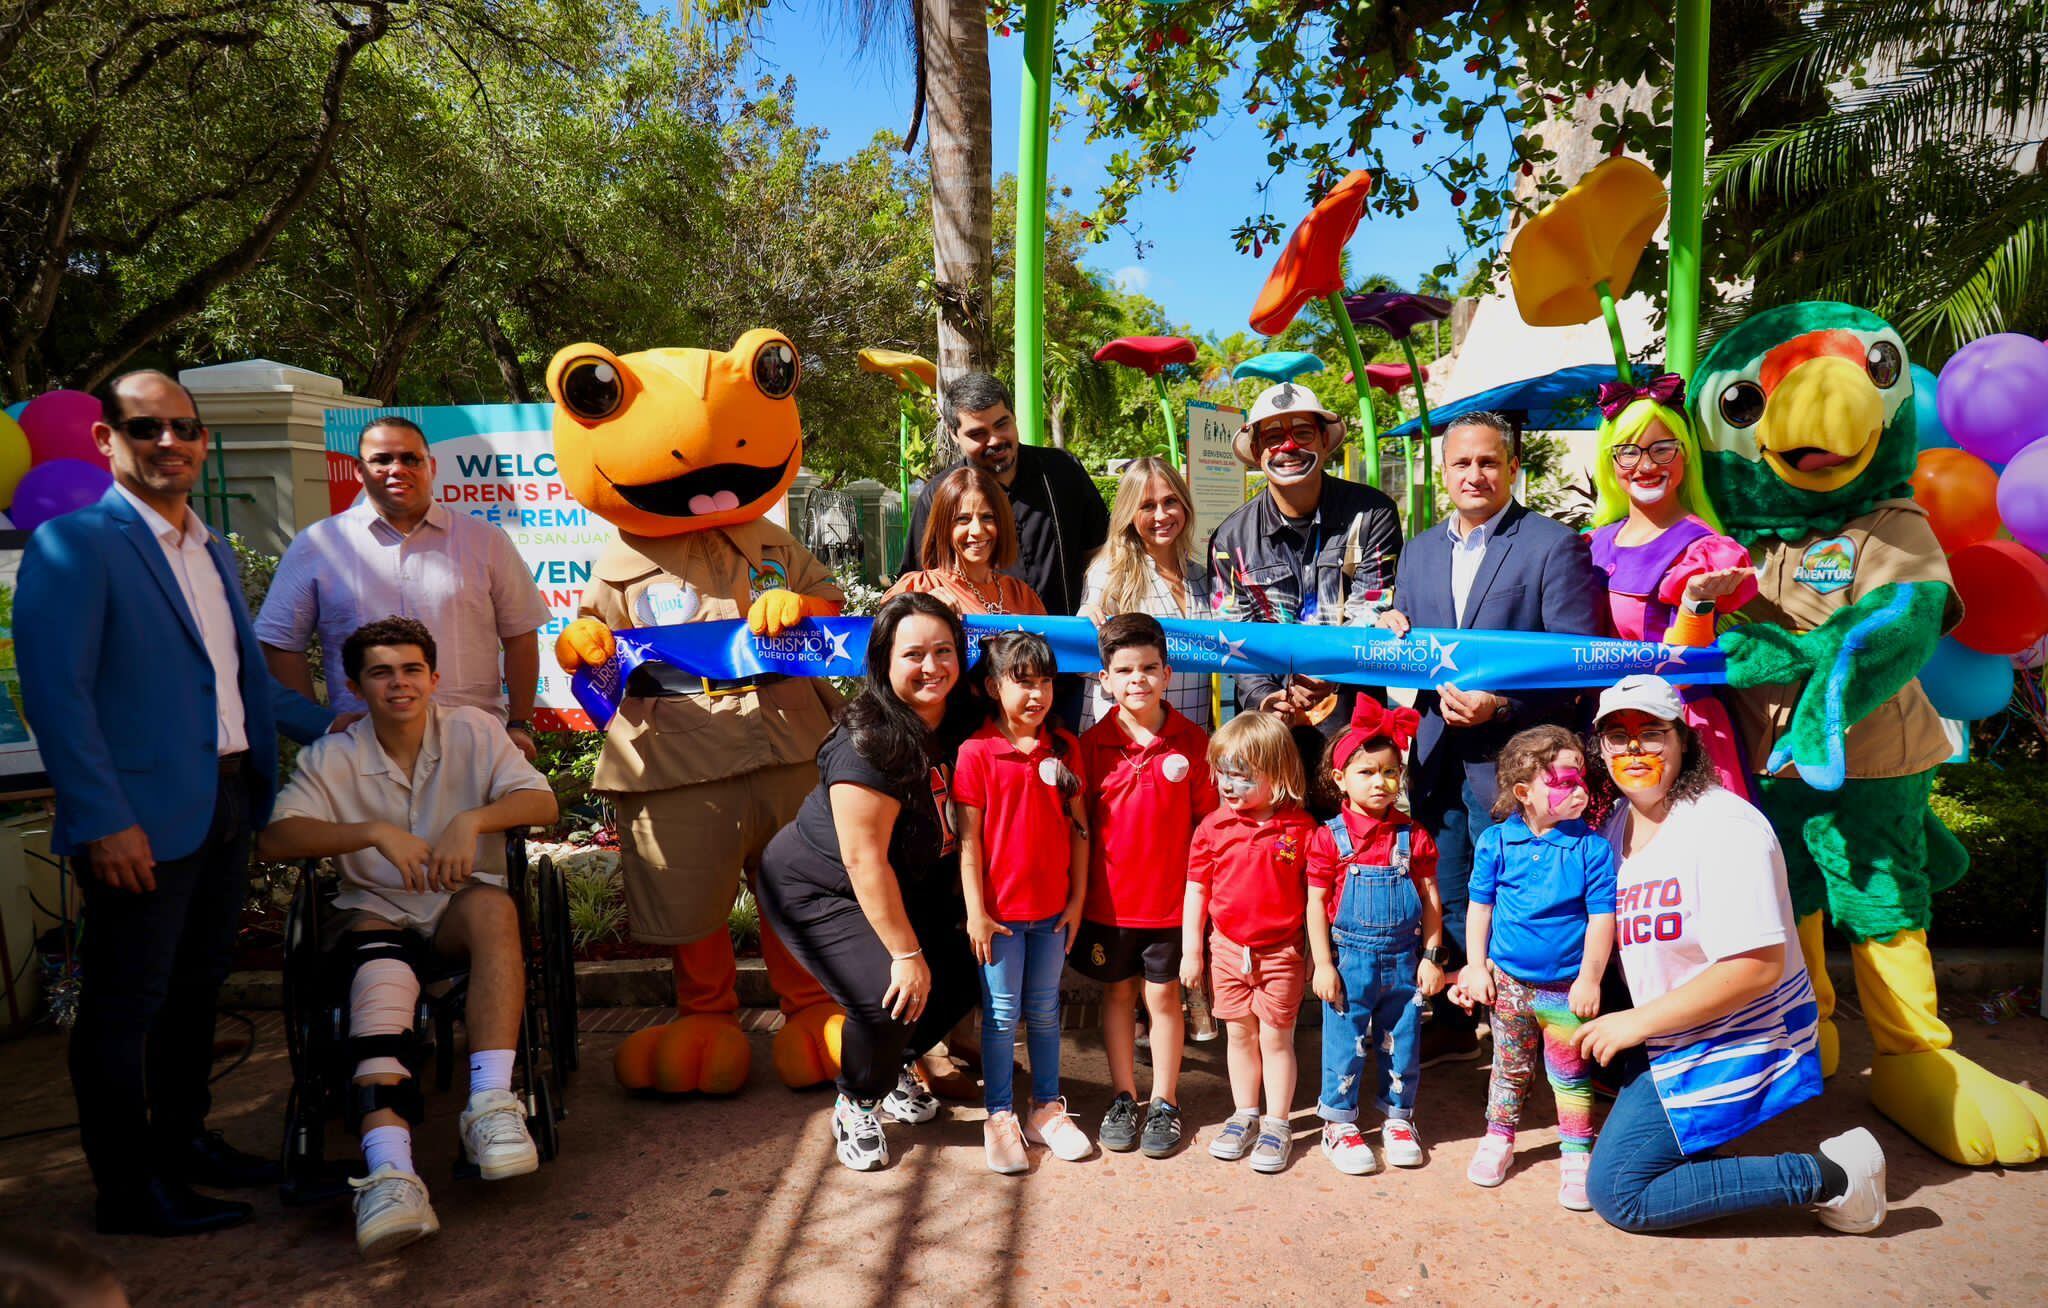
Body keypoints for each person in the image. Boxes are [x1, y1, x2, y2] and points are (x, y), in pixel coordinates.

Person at [16, 370, 335, 1236]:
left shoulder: (211, 546)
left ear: (202, 440)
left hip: (227, 800)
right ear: (106, 439)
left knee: (196, 989)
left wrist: (345, 728)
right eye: (146, 427)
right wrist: (103, 819)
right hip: (138, 821)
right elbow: (57, 696)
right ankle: (127, 1190)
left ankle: (185, 1142)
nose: (169, 443)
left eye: (185, 428)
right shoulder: (74, 545)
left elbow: (242, 683)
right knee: (126, 1006)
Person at [255, 617, 560, 1257]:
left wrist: (471, 821)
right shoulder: (332, 756)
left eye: (411, 670)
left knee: (496, 910)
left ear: (434, 677)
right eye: (381, 672)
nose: (399, 684)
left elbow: (543, 804)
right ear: (355, 687)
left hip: (457, 908)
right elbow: (278, 838)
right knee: (381, 971)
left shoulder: (475, 730)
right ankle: (390, 1170)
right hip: (377, 911)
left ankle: (490, 1106)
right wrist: (374, 833)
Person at [1572, 675, 1886, 1234]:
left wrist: (1635, 1024)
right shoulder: (1618, 822)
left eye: (1651, 733)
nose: (1634, 749)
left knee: (1619, 1192)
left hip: (1733, 1035)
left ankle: (1836, 1174)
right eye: (1618, 737)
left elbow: (1755, 967)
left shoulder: (1723, 828)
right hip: (1670, 1029)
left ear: (1684, 741)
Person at [1380, 410, 1608, 1064]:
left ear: (1512, 467)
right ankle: (1461, 1020)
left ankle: (1534, 1035)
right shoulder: (1419, 551)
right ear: (1443, 472)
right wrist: (1389, 631)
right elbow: (1413, 652)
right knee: (1447, 891)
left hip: (1515, 765)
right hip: (1435, 758)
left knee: (1522, 899)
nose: (1474, 474)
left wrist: (1501, 707)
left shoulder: (1553, 546)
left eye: (1488, 461)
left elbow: (1575, 665)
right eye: (1461, 462)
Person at [754, 593, 984, 1172]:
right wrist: (906, 954)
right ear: (883, 662)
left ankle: (893, 1066)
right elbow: (863, 862)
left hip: (908, 879)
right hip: (822, 887)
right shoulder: (868, 743)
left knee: (972, 966)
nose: (932, 666)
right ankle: (857, 1100)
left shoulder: (962, 716)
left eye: (944, 651)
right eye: (914, 654)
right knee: (891, 996)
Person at [256, 414, 551, 760]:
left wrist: (518, 723)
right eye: (382, 460)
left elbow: (520, 636)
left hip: (473, 748)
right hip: (363, 752)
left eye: (411, 459)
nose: (397, 469)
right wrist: (320, 730)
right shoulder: (319, 544)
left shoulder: (485, 541)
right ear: (359, 471)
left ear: (431, 467)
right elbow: (279, 644)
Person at [1449, 725, 1617, 1210]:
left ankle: (1576, 1152)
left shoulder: (1592, 849)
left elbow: (1601, 918)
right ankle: (1498, 1137)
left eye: (1580, 778)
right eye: (1562, 781)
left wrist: (1590, 978)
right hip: (1508, 985)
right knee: (1509, 1068)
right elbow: (1480, 907)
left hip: (1567, 989)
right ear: (1523, 792)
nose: (1578, 789)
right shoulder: (1497, 842)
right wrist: (1475, 967)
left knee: (1570, 1075)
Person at [1207, 382, 1402, 796]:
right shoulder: (1230, 538)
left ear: (1325, 442)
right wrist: (1265, 696)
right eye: (1273, 438)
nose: (1288, 447)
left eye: (1302, 433)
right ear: (1257, 450)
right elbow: (1232, 633)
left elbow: (1372, 602)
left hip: (1355, 724)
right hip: (1271, 730)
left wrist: (1326, 672)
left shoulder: (1372, 514)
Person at [1074, 614, 1217, 1157]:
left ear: (1168, 674)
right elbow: (1080, 827)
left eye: (1150, 668)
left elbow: (1208, 828)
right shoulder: (1089, 746)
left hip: (1170, 907)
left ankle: (1165, 1101)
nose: (1138, 679)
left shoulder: (1194, 742)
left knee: (1163, 998)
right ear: (1105, 679)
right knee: (1117, 995)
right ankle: (1123, 1096)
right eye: (1125, 670)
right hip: (1108, 907)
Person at [956, 632, 1093, 1173]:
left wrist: (1077, 901)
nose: (1037, 694)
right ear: (993, 687)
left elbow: (1081, 830)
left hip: (1054, 913)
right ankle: (998, 1115)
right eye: (1024, 682)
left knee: (1044, 1010)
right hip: (1000, 919)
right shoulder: (976, 752)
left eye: (1046, 682)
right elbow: (969, 842)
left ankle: (1046, 1109)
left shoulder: (1066, 747)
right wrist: (976, 912)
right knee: (1000, 1015)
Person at [1585, 382, 1756, 795]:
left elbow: (1685, 664)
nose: (1645, 464)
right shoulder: (1592, 543)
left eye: (1662, 449)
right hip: (1607, 727)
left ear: (1686, 454)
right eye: (1628, 451)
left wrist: (1696, 601)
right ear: (1610, 460)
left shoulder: (1704, 549)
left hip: (1677, 727)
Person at [1305, 696, 1444, 1177]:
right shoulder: (1329, 838)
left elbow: (1430, 898)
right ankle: (1338, 1123)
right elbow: (1315, 904)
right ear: (1340, 779)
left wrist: (1432, 955)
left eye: (1389, 772)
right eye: (1366, 772)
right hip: (1350, 964)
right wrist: (1323, 964)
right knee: (1344, 1044)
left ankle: (1399, 1119)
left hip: (1405, 961)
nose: (1380, 782)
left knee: (1402, 1043)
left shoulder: (1412, 836)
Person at [1181, 711, 1317, 1175]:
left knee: (1277, 1038)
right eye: (1223, 772)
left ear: (1278, 775)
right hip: (1225, 949)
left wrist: (1317, 955)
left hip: (1282, 952)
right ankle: (1244, 1114)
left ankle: (1277, 1123)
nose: (1228, 784)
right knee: (1239, 1035)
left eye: (1242, 775)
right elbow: (1197, 889)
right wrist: (1191, 950)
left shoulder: (1302, 829)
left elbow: (1315, 896)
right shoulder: (1212, 828)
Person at [896, 372, 1108, 621]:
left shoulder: (1062, 470)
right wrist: (932, 599)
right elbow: (914, 583)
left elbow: (1101, 550)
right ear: (953, 434)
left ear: (1014, 416)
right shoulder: (939, 494)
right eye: (978, 434)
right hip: (978, 641)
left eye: (1001, 424)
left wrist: (1092, 601)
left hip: (1067, 635)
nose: (995, 440)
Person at [1077, 457, 1213, 730]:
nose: (1161, 515)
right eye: (1147, 506)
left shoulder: (1201, 577)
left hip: (1190, 736)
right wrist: (1082, 627)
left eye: (1170, 501)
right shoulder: (1110, 572)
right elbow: (1084, 663)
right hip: (1125, 742)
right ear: (1129, 512)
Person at [884, 465, 1046, 616]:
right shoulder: (919, 588)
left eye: (987, 517)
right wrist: (922, 610)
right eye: (963, 519)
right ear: (944, 527)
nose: (977, 530)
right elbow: (880, 632)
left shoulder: (1022, 596)